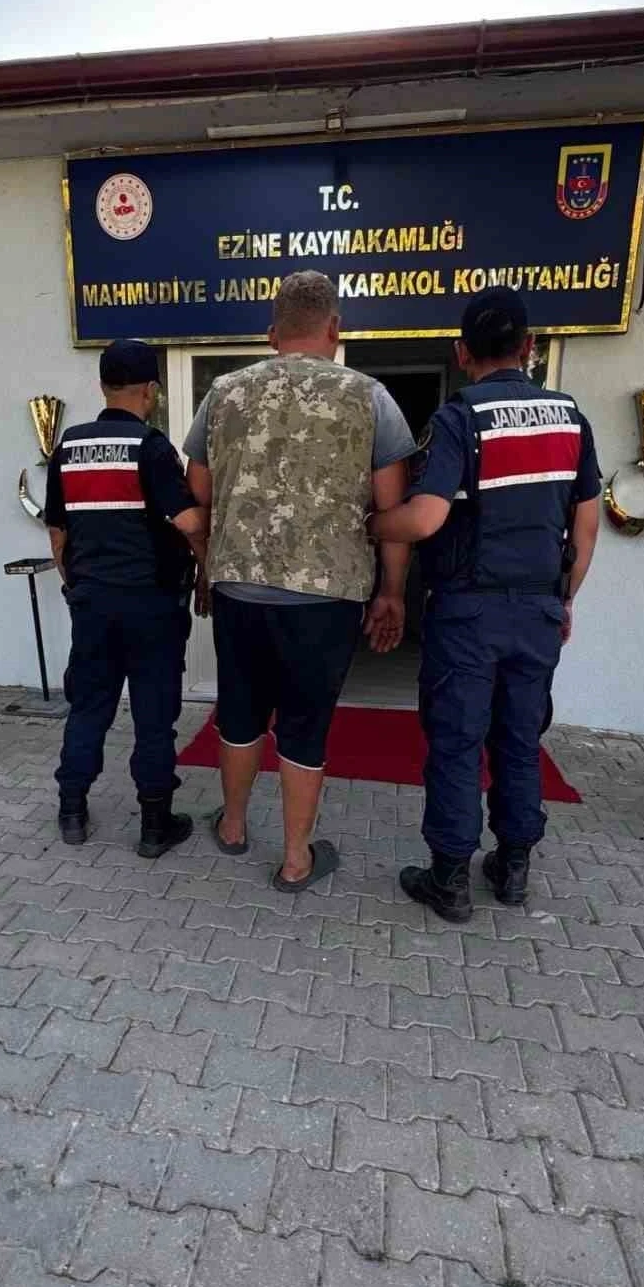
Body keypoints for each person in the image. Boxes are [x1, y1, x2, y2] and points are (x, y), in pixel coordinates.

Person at [369, 288, 601, 922]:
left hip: (469, 614)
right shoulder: (570, 420)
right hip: (537, 612)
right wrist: (564, 599)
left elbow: (424, 518)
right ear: (529, 347)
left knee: (457, 741)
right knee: (520, 739)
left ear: (461, 352)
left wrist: (370, 524)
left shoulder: (459, 419)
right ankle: (513, 867)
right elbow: (585, 529)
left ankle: (449, 879)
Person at [184, 270, 414, 891]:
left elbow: (199, 493)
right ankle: (295, 860)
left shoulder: (223, 393)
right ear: (335, 328)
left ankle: (233, 827)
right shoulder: (370, 397)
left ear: (272, 333)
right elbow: (392, 512)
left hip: (239, 586)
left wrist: (208, 564)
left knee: (239, 712)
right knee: (305, 725)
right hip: (326, 596)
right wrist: (392, 592)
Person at [45, 340, 208, 852]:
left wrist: (76, 585)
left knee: (88, 705)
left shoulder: (68, 446)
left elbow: (58, 533)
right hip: (151, 605)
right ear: (151, 390)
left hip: (92, 604)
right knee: (154, 713)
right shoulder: (151, 447)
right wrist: (207, 565)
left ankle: (72, 811)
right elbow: (188, 522)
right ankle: (155, 827)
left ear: (103, 386)